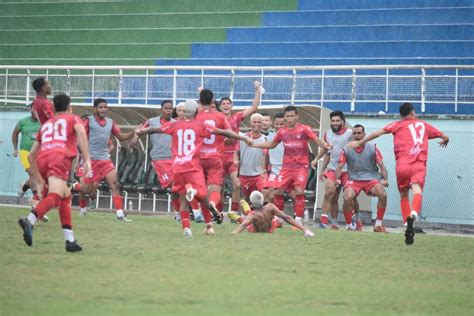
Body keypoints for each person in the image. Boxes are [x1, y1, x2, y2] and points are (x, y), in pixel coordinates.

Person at [136, 100, 253, 237]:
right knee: (203, 196)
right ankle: (195, 196)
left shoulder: (174, 125)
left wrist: (141, 130)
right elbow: (225, 133)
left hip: (178, 167)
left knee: (183, 199)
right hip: (192, 166)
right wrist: (244, 138)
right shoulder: (200, 126)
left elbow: (154, 129)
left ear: (184, 112)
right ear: (197, 112)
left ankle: (189, 228)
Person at [348, 102, 449, 245]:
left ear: (401, 115)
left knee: (403, 195)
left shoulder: (397, 125)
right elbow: (443, 136)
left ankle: (406, 224)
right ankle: (414, 213)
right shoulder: (424, 125)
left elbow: (378, 133)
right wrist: (445, 140)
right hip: (419, 164)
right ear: (413, 113)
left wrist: (359, 143)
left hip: (402, 165)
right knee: (417, 189)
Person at [18, 94, 91, 252]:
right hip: (59, 157)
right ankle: (30, 220)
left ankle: (70, 240)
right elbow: (81, 133)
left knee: (65, 197)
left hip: (42, 159)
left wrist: (39, 179)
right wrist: (87, 160)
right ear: (69, 107)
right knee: (56, 195)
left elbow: (31, 155)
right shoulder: (73, 118)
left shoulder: (46, 125)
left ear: (53, 108)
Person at [251, 105, 331, 226]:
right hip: (286, 167)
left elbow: (315, 139)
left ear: (297, 116)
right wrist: (255, 144)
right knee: (277, 192)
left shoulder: (304, 129)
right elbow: (272, 145)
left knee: (299, 192)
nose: (290, 118)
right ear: (285, 118)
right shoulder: (282, 132)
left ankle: (297, 221)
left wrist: (325, 144)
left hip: (301, 167)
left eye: (292, 116)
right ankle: (279, 219)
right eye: (287, 116)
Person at [71, 98, 136, 220]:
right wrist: (79, 157)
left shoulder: (110, 122)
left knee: (115, 184)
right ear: (95, 108)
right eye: (101, 107)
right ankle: (74, 187)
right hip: (90, 161)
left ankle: (120, 213)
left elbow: (120, 137)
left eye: (105, 107)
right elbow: (79, 137)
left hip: (105, 160)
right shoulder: (88, 121)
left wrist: (133, 131)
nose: (104, 109)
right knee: (87, 190)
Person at [220, 81, 262, 217]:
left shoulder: (236, 117)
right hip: (219, 157)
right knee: (218, 187)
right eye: (223, 104)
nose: (226, 105)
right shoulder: (216, 119)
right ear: (220, 107)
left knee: (237, 185)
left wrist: (257, 90)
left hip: (232, 157)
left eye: (228, 103)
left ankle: (233, 212)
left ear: (231, 106)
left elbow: (254, 107)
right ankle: (218, 212)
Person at [336, 124, 389, 232]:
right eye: (354, 133)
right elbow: (339, 166)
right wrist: (337, 179)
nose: (357, 135)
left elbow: (382, 165)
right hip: (354, 180)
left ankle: (378, 225)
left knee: (383, 194)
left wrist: (385, 179)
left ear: (364, 135)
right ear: (352, 136)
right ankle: (350, 225)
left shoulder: (372, 147)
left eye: (359, 133)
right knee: (347, 197)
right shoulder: (346, 149)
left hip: (371, 179)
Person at [311, 111, 355, 230]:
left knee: (349, 198)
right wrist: (318, 164)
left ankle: (352, 222)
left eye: (337, 121)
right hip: (332, 169)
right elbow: (327, 152)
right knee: (330, 195)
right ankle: (328, 223)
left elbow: (359, 146)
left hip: (348, 171)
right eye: (333, 121)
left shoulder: (350, 133)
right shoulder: (328, 134)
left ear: (343, 121)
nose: (335, 123)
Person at [195, 88, 233, 223]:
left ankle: (203, 215)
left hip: (198, 157)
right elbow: (229, 136)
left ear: (199, 101)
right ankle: (212, 204)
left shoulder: (195, 116)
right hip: (215, 157)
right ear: (213, 101)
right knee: (215, 187)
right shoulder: (220, 116)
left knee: (200, 188)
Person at [231, 191, 314, 236]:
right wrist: (305, 229)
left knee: (247, 219)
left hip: (254, 230)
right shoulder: (270, 207)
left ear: (252, 203)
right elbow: (287, 217)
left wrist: (234, 233)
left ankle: (239, 217)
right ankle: (243, 213)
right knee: (274, 222)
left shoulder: (253, 214)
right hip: (270, 230)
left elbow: (244, 225)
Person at [235, 113, 267, 200]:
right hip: (244, 174)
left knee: (259, 198)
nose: (256, 124)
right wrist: (235, 161)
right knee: (245, 199)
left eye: (258, 122)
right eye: (254, 122)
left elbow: (264, 155)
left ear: (261, 123)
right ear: (250, 123)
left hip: (257, 175)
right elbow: (236, 151)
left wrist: (263, 171)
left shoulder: (265, 139)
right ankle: (246, 214)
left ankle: (259, 213)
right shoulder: (243, 138)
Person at [11, 104, 40, 198]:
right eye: (35, 110)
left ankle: (24, 187)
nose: (37, 112)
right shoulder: (23, 122)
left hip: (39, 153)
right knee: (32, 175)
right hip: (25, 152)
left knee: (36, 177)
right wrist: (15, 149)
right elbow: (15, 133)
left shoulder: (43, 123)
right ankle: (36, 200)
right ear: (31, 110)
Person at [262, 112, 285, 202]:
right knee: (269, 193)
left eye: (281, 124)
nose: (279, 126)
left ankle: (297, 215)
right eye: (277, 124)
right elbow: (266, 154)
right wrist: (264, 168)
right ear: (273, 124)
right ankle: (271, 215)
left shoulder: (290, 137)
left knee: (294, 195)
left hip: (287, 171)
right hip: (274, 171)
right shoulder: (270, 138)